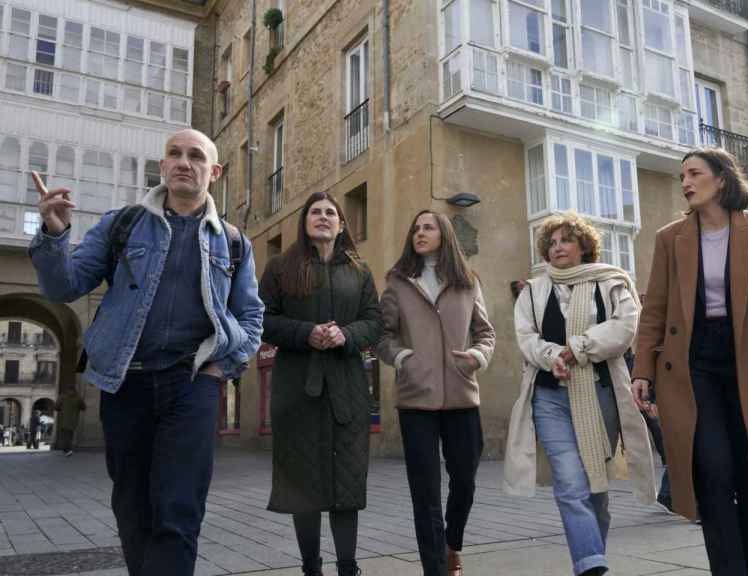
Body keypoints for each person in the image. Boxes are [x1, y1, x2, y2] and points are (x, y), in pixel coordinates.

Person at [28, 129, 264, 576]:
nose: (183, 162)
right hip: (126, 381)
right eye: (174, 154)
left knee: (179, 508)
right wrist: (55, 234)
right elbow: (63, 286)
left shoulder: (232, 242)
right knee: (133, 507)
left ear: (213, 172)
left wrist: (222, 366)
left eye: (196, 156)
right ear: (163, 166)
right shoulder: (124, 223)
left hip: (192, 384)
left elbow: (251, 317)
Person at [631, 148, 748, 576]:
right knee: (711, 472)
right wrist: (643, 369)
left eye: (695, 173)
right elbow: (654, 309)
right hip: (695, 364)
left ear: (721, 179)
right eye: (682, 176)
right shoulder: (670, 237)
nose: (686, 182)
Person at [503, 213, 656, 576]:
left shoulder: (612, 282)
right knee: (571, 482)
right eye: (551, 243)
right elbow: (526, 338)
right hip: (549, 398)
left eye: (565, 240)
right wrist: (553, 356)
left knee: (595, 489)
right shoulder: (533, 290)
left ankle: (590, 555)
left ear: (583, 246)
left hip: (601, 393)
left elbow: (625, 327)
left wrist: (580, 347)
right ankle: (591, 566)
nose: (557, 248)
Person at [259, 192, 382, 576]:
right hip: (298, 390)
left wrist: (346, 335)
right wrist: (305, 332)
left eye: (331, 212)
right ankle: (310, 567)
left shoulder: (360, 272)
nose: (324, 217)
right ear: (305, 222)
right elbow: (261, 319)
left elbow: (375, 321)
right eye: (316, 212)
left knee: (346, 485)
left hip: (346, 391)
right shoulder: (281, 267)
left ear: (342, 224)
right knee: (304, 487)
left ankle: (349, 567)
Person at [378, 209, 496, 576]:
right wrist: (402, 358)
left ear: (444, 234)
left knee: (465, 479)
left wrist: (476, 357)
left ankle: (452, 545)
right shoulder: (397, 282)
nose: (420, 232)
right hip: (416, 399)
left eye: (428, 227)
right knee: (424, 491)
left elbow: (486, 333)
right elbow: (384, 335)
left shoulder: (467, 281)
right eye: (415, 228)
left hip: (462, 395)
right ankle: (434, 568)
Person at [55, 387, 87, 456]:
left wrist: (61, 409)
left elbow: (56, 407)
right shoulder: (78, 398)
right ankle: (66, 449)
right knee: (69, 435)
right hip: (73, 420)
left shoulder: (62, 397)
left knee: (65, 435)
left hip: (63, 419)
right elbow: (84, 407)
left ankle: (67, 450)